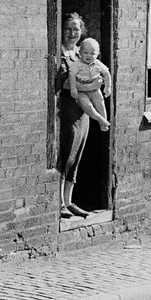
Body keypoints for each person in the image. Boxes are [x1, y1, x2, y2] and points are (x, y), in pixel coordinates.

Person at [55, 12, 91, 219]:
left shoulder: (81, 53)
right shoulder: (58, 53)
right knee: (66, 153)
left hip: (82, 112)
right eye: (68, 29)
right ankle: (59, 202)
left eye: (76, 29)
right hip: (65, 111)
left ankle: (69, 201)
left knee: (77, 155)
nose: (72, 33)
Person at [67, 37, 111, 131]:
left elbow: (106, 73)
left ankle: (103, 124)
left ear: (97, 54)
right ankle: (100, 119)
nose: (89, 56)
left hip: (95, 90)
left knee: (100, 104)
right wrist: (73, 89)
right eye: (85, 53)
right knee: (87, 105)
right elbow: (71, 74)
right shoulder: (77, 64)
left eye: (92, 53)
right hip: (81, 91)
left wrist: (108, 87)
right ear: (80, 52)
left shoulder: (97, 63)